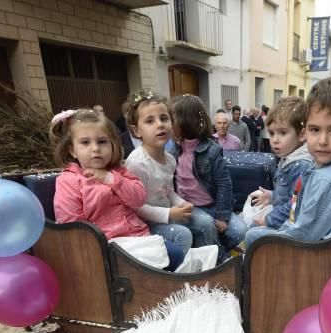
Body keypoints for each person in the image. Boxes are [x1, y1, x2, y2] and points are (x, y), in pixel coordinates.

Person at [49, 108, 184, 269]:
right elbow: (73, 225)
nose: (95, 148)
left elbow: (138, 198)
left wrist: (111, 179)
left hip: (138, 238)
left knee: (175, 254)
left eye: (102, 141)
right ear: (72, 150)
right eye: (85, 142)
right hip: (106, 246)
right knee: (143, 271)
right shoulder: (69, 180)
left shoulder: (119, 172)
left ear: (113, 145)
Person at [242, 77, 331, 244]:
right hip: (305, 237)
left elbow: (303, 234)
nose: (322, 140)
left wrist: (272, 225)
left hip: (307, 256)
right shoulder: (327, 166)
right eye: (315, 129)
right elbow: (297, 204)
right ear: (305, 130)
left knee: (252, 236)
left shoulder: (326, 178)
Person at [171, 95, 248, 259]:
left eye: (173, 119)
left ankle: (218, 252)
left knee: (241, 231)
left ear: (186, 121)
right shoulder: (173, 149)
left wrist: (222, 216)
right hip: (189, 207)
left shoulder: (211, 150)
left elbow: (224, 184)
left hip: (212, 205)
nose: (170, 124)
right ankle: (219, 263)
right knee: (206, 224)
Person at [123, 90, 194, 258]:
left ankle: (208, 263)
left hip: (166, 215)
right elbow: (135, 206)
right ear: (137, 131)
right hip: (144, 223)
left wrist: (182, 202)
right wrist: (169, 214)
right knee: (183, 234)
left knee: (202, 221)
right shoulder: (137, 163)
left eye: (164, 118)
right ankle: (172, 276)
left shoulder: (170, 159)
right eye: (150, 121)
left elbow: (168, 191)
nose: (159, 125)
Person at [243, 96, 313, 247]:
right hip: (284, 220)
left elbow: (295, 204)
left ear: (301, 134)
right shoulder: (289, 158)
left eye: (282, 133)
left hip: (290, 228)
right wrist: (272, 196)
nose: (274, 140)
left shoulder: (300, 165)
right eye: (272, 133)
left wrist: (269, 219)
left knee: (252, 235)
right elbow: (289, 194)